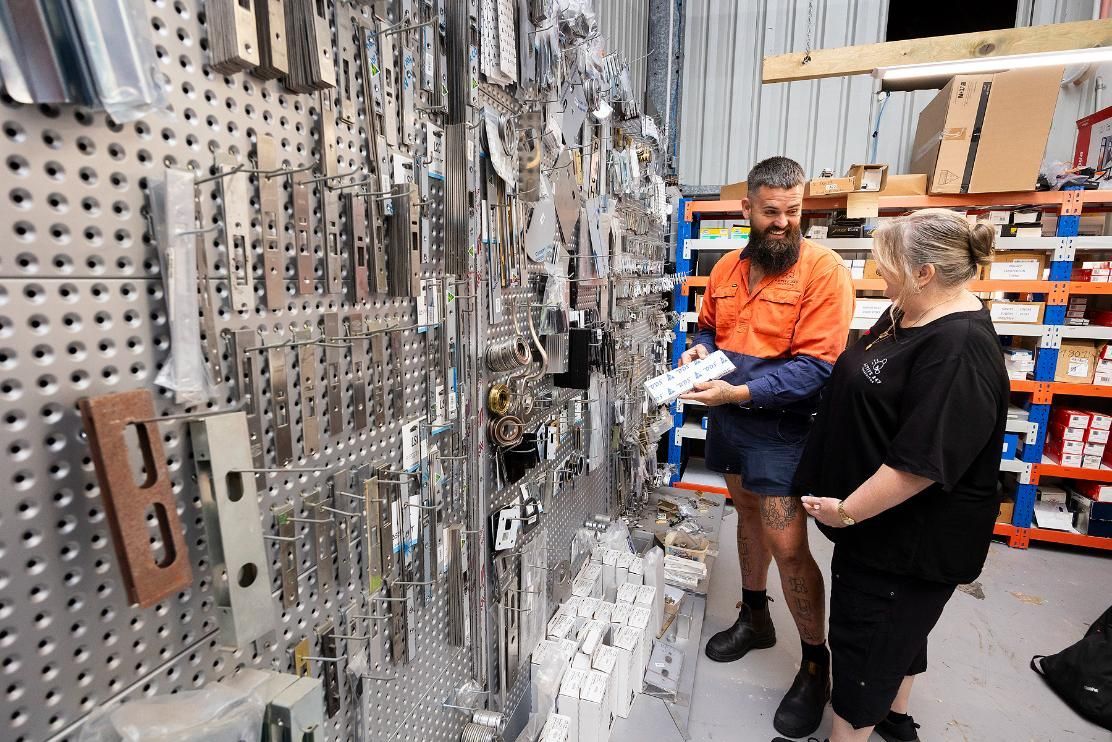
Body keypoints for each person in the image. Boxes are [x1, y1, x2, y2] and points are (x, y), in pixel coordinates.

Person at [792, 209, 1008, 742]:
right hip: (883, 531)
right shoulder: (910, 310)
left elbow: (918, 467)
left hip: (903, 542)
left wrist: (846, 512)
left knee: (867, 642)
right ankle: (894, 716)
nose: (876, 272)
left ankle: (853, 730)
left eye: (885, 263)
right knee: (901, 633)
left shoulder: (958, 349)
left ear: (924, 272)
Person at [680, 156, 854, 738]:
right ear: (748, 209)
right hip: (729, 418)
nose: (784, 222)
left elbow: (817, 367)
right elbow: (708, 326)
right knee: (745, 518)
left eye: (794, 211)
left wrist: (741, 390)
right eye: (772, 211)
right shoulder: (729, 267)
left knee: (787, 544)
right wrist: (699, 351)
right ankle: (755, 617)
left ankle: (815, 661)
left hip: (783, 428)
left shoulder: (822, 271)